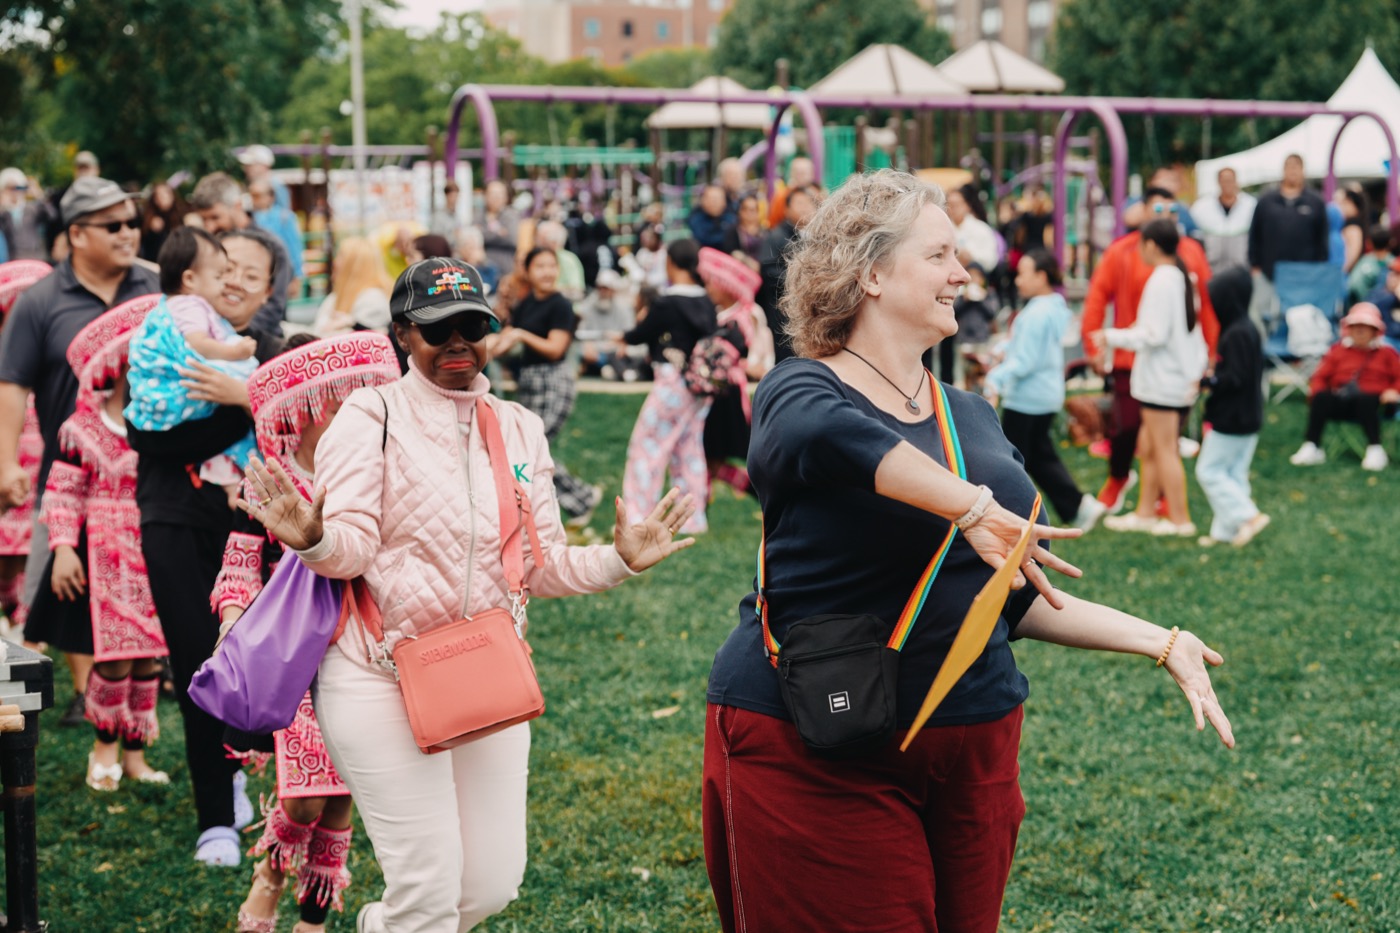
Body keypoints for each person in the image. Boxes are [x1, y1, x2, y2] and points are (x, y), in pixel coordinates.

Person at [703, 170, 1233, 933]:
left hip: (974, 745)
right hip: (821, 737)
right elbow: (832, 438)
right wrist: (971, 505)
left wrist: (1161, 640)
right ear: (871, 273)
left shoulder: (972, 416)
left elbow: (1017, 597)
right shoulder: (801, 390)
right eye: (940, 255)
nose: (964, 273)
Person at [240, 257, 698, 933]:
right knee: (427, 893)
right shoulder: (370, 415)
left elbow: (541, 565)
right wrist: (313, 538)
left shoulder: (519, 426)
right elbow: (351, 550)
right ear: (404, 334)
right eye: (437, 329)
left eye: (472, 326)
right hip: (376, 676)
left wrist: (619, 560)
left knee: (489, 885)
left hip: (482, 670)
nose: (457, 342)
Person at [220, 332, 400, 933]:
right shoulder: (268, 479)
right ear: (306, 406)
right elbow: (239, 562)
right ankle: (270, 875)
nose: (349, 408)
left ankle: (314, 917)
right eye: (336, 399)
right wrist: (231, 623)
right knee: (304, 795)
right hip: (292, 650)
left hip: (365, 644)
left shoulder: (375, 473)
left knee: (344, 788)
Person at [124, 227, 285, 867]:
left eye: (252, 272)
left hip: (254, 532)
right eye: (227, 266)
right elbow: (147, 435)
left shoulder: (275, 355)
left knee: (263, 665)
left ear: (270, 290)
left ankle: (260, 780)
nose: (236, 280)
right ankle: (215, 816)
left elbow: (302, 426)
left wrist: (246, 394)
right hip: (173, 518)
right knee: (197, 662)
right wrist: (238, 410)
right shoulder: (169, 332)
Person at [0, 176, 159, 727]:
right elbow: (12, 385)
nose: (127, 233)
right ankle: (81, 688)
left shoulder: (155, 292)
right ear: (76, 234)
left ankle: (136, 683)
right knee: (67, 586)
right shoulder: (40, 301)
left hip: (149, 474)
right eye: (112, 225)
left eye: (132, 222)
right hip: (67, 472)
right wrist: (5, 463)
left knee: (142, 585)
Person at [38, 298, 168, 791]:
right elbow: (63, 492)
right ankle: (104, 750)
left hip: (153, 549)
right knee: (113, 657)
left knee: (149, 656)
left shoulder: (163, 424)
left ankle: (135, 755)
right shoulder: (83, 428)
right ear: (122, 364)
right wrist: (63, 548)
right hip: (104, 553)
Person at [1081, 186, 1219, 515]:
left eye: (1172, 209)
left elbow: (1202, 309)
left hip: (1165, 367)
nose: (1166, 215)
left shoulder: (1182, 260)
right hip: (1135, 362)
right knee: (1131, 432)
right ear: (1142, 211)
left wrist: (1211, 353)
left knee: (1163, 442)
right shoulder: (1123, 252)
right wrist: (1095, 344)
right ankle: (1131, 490)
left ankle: (1169, 506)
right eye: (1158, 209)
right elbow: (1097, 297)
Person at [125, 228, 259, 508]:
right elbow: (198, 345)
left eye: (252, 276)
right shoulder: (190, 305)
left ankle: (232, 486)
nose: (228, 283)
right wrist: (235, 353)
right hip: (172, 501)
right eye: (220, 275)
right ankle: (234, 486)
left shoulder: (176, 305)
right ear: (189, 279)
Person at [1098, 219, 1209, 536]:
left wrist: (1112, 336)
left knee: (1164, 449)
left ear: (1150, 245)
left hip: (1164, 380)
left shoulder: (1163, 279)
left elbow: (1154, 334)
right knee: (1148, 447)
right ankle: (1145, 513)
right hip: (1169, 378)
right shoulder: (1178, 276)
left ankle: (1180, 520)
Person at [985, 249, 1105, 530]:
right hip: (1045, 394)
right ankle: (1078, 506)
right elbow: (1030, 349)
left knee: (1011, 462)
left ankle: (1009, 516)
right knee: (1037, 456)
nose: (1017, 280)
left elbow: (1026, 360)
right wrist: (1005, 349)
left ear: (1041, 276)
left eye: (1022, 274)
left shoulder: (1035, 314)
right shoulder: (1053, 308)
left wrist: (995, 378)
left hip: (1027, 398)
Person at [493, 248, 601, 526]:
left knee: (532, 449)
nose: (547, 272)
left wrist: (521, 335)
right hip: (530, 382)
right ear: (527, 271)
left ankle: (579, 499)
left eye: (552, 266)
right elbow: (505, 340)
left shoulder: (560, 305)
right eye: (540, 266)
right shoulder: (525, 304)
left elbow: (555, 348)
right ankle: (576, 500)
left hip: (553, 381)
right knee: (528, 450)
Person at [620, 239, 717, 533]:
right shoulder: (706, 302)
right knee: (688, 448)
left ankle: (637, 514)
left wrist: (623, 337)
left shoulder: (668, 302)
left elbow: (640, 334)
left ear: (671, 263)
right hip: (701, 386)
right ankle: (692, 518)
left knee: (646, 445)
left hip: (672, 382)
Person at [1195, 267, 1269, 547]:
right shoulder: (1248, 329)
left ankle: (1248, 517)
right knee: (1233, 473)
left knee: (1209, 471)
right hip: (1249, 416)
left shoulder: (1236, 333)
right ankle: (1225, 532)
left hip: (1232, 418)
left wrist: (1208, 381)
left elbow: (1234, 377)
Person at [1288, 302, 1400, 471]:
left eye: (1365, 326)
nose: (1360, 331)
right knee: (1321, 397)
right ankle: (1312, 446)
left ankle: (1375, 449)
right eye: (1355, 326)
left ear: (1375, 330)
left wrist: (1393, 391)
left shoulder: (1387, 353)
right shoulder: (1338, 350)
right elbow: (1320, 377)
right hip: (1344, 400)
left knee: (1366, 400)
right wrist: (1316, 392)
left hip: (1377, 405)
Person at [699, 246, 771, 496]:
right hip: (720, 393)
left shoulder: (739, 319)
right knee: (708, 459)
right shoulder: (724, 315)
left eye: (712, 283)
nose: (708, 288)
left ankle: (760, 492)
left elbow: (745, 358)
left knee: (711, 459)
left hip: (726, 396)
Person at [0, 261, 49, 624]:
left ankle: (21, 616)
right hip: (9, 465)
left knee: (28, 548)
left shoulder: (49, 355)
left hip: (39, 469)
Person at [189, 172, 292, 335]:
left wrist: (227, 336)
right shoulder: (207, 247)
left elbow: (273, 309)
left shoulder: (271, 248)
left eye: (215, 217)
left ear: (237, 206)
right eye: (204, 219)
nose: (209, 226)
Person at [1248, 153, 1329, 319]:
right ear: (1283, 170)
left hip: (1303, 275)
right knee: (1263, 315)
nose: (1293, 171)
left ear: (1303, 171)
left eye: (1296, 167)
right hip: (1269, 273)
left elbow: (1322, 238)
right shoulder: (1266, 201)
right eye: (1289, 167)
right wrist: (1255, 265)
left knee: (1299, 318)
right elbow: (1254, 233)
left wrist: (1319, 268)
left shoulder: (1315, 202)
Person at [757, 185, 818, 363]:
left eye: (808, 203)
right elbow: (768, 271)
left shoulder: (818, 235)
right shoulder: (776, 236)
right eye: (799, 203)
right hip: (783, 312)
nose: (805, 208)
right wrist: (802, 280)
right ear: (787, 209)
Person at [313, 237, 391, 337]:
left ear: (354, 266)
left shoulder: (373, 300)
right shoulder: (335, 297)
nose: (335, 262)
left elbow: (365, 339)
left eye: (341, 256)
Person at [1191, 167, 1256, 272]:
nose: (1227, 184)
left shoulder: (1250, 205)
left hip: (1241, 268)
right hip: (1212, 269)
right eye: (1224, 180)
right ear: (1218, 182)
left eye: (1230, 180)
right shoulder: (1201, 207)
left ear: (1236, 181)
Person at [250, 178, 305, 298]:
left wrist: (297, 276)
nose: (254, 199)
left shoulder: (284, 218)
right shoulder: (250, 218)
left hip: (281, 273)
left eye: (258, 195)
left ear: (270, 197)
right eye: (252, 195)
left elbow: (294, 247)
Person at [0, 167, 54, 262]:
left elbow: (52, 215)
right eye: (9, 188)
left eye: (17, 187)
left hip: (35, 259)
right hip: (12, 262)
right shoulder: (3, 213)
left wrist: (39, 195)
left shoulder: (32, 208)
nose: (14, 192)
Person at [945, 183, 1000, 273]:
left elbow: (991, 259)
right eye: (950, 205)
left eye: (957, 204)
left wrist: (972, 256)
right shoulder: (943, 229)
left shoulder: (981, 229)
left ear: (967, 206)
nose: (953, 209)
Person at [476, 179, 521, 277]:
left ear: (506, 197)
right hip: (480, 269)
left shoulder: (511, 215)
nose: (496, 197)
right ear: (485, 195)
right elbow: (472, 237)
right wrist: (499, 233)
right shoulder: (477, 215)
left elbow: (511, 239)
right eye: (492, 193)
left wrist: (483, 232)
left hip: (505, 270)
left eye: (499, 194)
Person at [531, 221, 585, 301]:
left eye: (541, 240)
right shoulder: (534, 257)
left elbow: (577, 292)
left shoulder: (568, 260)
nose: (536, 242)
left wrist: (548, 290)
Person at [140, 181, 184, 263]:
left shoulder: (181, 214)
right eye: (160, 195)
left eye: (166, 193)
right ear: (155, 199)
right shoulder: (150, 218)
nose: (164, 197)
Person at [720, 191, 765, 270]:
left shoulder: (765, 231)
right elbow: (730, 253)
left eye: (752, 210)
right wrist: (746, 261)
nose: (748, 213)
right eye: (745, 209)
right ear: (740, 211)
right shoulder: (733, 232)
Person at [238, 144, 291, 212]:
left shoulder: (276, 185)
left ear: (264, 165)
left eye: (250, 165)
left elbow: (284, 213)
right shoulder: (251, 183)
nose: (246, 169)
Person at [767, 155, 816, 228]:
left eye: (804, 173)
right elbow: (773, 222)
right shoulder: (782, 196)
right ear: (791, 174)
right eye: (798, 173)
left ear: (812, 174)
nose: (801, 177)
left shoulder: (817, 194)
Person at [686, 184, 735, 252]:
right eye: (711, 199)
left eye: (717, 199)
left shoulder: (732, 218)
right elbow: (703, 239)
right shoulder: (695, 219)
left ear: (724, 202)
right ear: (702, 201)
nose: (714, 203)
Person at [1335, 186, 1368, 275]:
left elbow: (1351, 256)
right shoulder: (1349, 225)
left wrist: (1342, 272)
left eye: (1345, 203)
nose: (1341, 207)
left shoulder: (1353, 228)